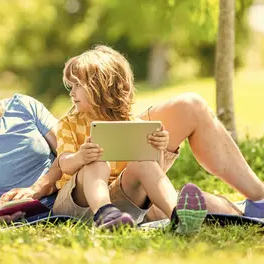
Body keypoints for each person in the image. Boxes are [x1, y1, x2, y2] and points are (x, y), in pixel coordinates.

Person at [0, 49, 264, 227]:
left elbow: (64, 152)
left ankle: (262, 203)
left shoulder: (23, 106)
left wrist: (154, 156)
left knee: (190, 106)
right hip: (67, 196)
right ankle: (177, 212)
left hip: (97, 181)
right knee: (101, 164)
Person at [51, 45, 208, 233]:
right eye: (71, 85)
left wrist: (158, 148)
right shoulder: (69, 123)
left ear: (99, 86)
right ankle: (104, 215)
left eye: (78, 85)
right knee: (97, 163)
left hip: (121, 205)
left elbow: (150, 174)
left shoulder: (131, 123)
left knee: (145, 162)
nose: (71, 92)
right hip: (76, 204)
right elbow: (64, 164)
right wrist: (80, 157)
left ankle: (179, 217)